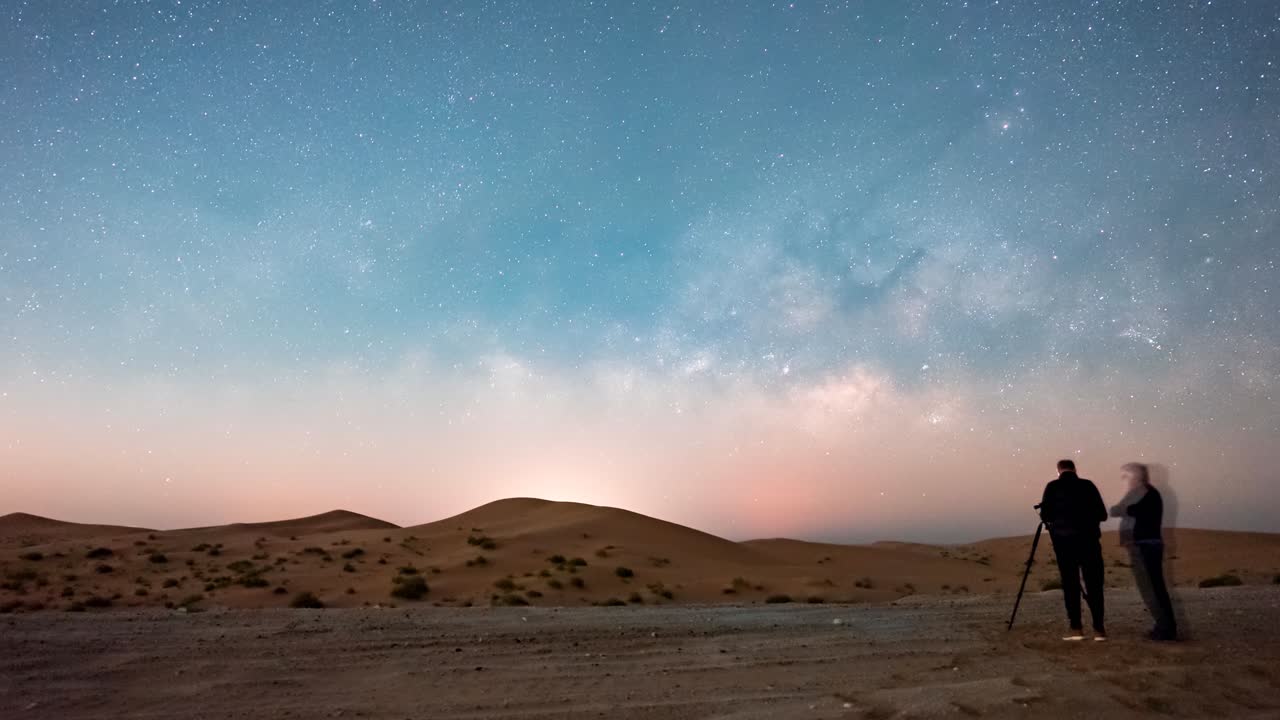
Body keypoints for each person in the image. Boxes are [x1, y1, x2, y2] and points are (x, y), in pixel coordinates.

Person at [1039, 459, 1108, 641]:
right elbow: (1103, 514)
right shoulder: (1088, 485)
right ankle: (1099, 629)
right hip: (1089, 543)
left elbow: (1045, 515)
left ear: (1058, 471)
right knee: (1094, 584)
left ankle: (1076, 628)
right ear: (1075, 469)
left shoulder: (1052, 486)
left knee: (1070, 584)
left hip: (1064, 545)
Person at [1110, 462, 1178, 641]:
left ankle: (1166, 629)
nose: (1125, 479)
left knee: (1153, 588)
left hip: (1146, 545)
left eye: (1128, 475)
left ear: (1138, 476)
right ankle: (1163, 626)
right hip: (1141, 545)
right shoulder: (1139, 493)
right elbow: (1115, 510)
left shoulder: (1147, 493)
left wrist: (1126, 509)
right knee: (1150, 588)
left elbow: (1132, 510)